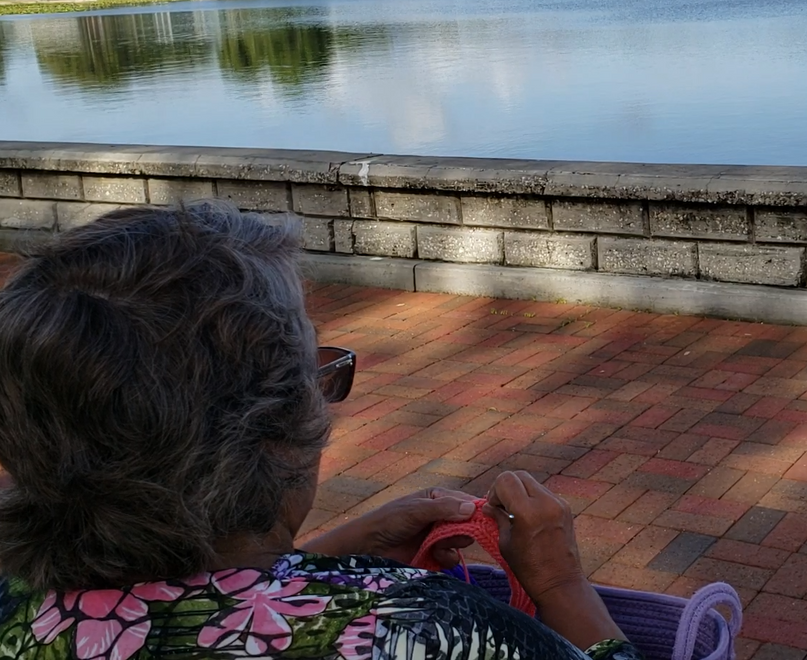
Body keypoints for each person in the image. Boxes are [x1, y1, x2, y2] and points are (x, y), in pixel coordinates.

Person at [0, 202, 642, 660]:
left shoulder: (17, 604)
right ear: (272, 433)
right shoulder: (418, 629)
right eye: (315, 373)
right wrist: (562, 587)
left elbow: (188, 605)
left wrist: (321, 556)